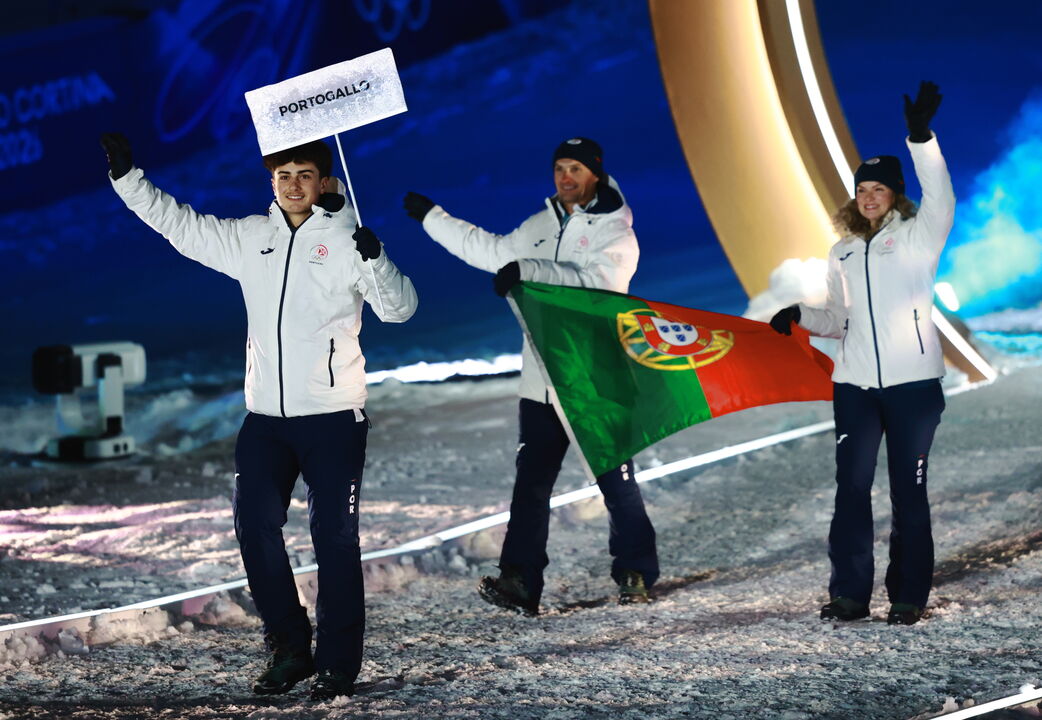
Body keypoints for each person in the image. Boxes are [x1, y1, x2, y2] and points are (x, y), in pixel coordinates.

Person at [100, 133, 418, 698]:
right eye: (283, 175)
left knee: (333, 537)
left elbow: (399, 310)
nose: (293, 185)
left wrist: (377, 259)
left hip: (332, 417)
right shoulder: (252, 238)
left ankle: (339, 662)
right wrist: (129, 181)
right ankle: (289, 647)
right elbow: (182, 225)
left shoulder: (349, 241)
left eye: (304, 175)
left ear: (323, 181)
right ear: (272, 182)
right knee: (255, 530)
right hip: (265, 420)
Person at [402, 137, 659, 614]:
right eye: (560, 168)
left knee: (615, 481)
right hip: (539, 380)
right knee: (532, 484)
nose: (565, 178)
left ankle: (635, 570)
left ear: (595, 175)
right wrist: (433, 219)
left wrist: (529, 269)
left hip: (594, 381)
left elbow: (597, 285)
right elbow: (493, 251)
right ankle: (520, 580)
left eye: (575, 169)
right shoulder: (540, 225)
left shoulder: (616, 233)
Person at [769, 82, 953, 626]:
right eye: (862, 189)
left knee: (907, 492)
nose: (869, 196)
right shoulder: (843, 250)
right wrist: (801, 315)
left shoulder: (921, 236)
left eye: (878, 188)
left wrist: (921, 139)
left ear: (895, 193)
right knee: (851, 491)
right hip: (854, 388)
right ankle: (849, 593)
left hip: (913, 387)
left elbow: (941, 193)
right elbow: (840, 320)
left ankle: (908, 595)